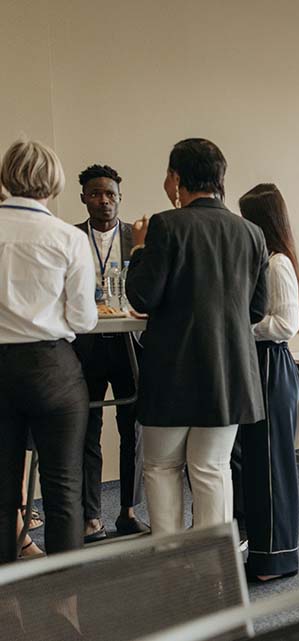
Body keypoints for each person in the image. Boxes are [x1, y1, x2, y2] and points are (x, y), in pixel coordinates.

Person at [125, 138, 268, 536]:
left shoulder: (165, 225)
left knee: (161, 468)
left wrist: (138, 250)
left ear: (175, 178)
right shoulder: (252, 233)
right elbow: (256, 311)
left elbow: (142, 295)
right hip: (228, 375)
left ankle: (170, 562)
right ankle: (213, 568)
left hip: (172, 372)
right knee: (211, 469)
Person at [0, 140, 98, 563]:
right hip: (52, 368)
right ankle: (65, 604)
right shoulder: (67, 238)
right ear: (54, 182)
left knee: (3, 492)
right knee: (63, 491)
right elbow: (83, 320)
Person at [72, 164, 149, 541]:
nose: (104, 201)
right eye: (96, 194)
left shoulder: (137, 239)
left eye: (111, 195)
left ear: (120, 197)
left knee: (131, 428)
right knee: (88, 429)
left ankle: (128, 511)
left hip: (127, 346)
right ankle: (91, 517)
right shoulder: (69, 238)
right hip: (85, 347)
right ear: (84, 197)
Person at [237, 183, 299, 582]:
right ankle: (265, 554)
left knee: (270, 466)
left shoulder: (277, 263)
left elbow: (285, 324)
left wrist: (239, 328)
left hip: (270, 366)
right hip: (259, 365)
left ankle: (275, 559)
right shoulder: (262, 259)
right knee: (259, 465)